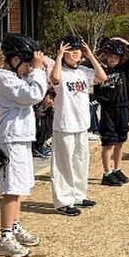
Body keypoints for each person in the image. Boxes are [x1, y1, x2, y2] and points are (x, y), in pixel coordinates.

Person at [0, 33, 48, 257]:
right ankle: (5, 237)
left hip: (21, 137)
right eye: (27, 64)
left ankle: (14, 226)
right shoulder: (4, 78)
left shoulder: (15, 77)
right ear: (15, 60)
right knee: (11, 189)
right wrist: (37, 70)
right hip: (10, 138)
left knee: (20, 186)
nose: (29, 69)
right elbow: (34, 94)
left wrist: (38, 68)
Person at [50, 35, 107, 216]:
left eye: (77, 50)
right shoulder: (58, 70)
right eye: (70, 50)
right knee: (63, 164)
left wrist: (90, 55)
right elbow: (55, 79)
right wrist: (59, 56)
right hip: (64, 125)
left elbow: (102, 77)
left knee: (81, 162)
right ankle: (63, 201)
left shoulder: (83, 71)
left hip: (82, 125)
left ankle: (78, 196)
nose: (75, 53)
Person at [93, 37, 129, 187]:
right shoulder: (99, 70)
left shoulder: (125, 69)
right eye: (111, 57)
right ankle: (107, 172)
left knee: (120, 140)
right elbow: (88, 62)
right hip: (108, 109)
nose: (113, 60)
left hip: (123, 107)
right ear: (106, 56)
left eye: (116, 57)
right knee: (108, 141)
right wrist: (99, 55)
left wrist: (123, 41)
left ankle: (117, 168)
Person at [32, 88, 56, 158]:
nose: (51, 101)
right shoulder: (34, 106)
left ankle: (39, 146)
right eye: (50, 98)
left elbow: (49, 129)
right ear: (45, 96)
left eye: (53, 100)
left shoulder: (50, 112)